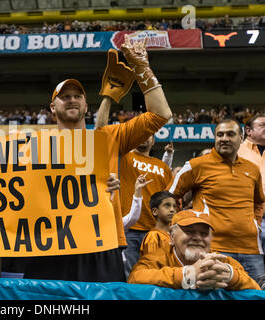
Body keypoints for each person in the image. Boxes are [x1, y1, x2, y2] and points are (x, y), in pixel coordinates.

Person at [22, 35, 172, 282]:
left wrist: (142, 69)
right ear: (52, 107)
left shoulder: (109, 138)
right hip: (49, 244)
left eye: (77, 96)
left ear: (85, 105)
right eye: (65, 96)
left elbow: (160, 114)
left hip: (101, 242)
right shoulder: (34, 147)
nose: (71, 99)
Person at [168, 119, 265, 282]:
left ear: (241, 139)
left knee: (256, 294)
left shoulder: (252, 169)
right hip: (214, 249)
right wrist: (183, 226)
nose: (224, 138)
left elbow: (259, 201)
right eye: (220, 135)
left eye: (230, 134)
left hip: (251, 250)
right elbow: (168, 197)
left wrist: (256, 223)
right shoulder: (196, 165)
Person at [128, 209, 260, 290]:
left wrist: (231, 276)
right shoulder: (157, 258)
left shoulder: (222, 261)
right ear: (172, 237)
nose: (198, 238)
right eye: (189, 231)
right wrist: (187, 274)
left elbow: (254, 287)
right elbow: (135, 278)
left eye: (204, 234)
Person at [118, 133, 173, 278]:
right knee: (130, 276)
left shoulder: (163, 167)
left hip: (156, 232)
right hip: (130, 230)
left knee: (156, 275)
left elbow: (169, 197)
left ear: (154, 141)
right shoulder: (123, 158)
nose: (143, 136)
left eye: (148, 134)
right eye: (141, 133)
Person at [237, 113, 265, 263]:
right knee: (252, 265)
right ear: (248, 131)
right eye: (263, 125)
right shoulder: (236, 151)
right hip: (246, 216)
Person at [139, 191, 177, 257]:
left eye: (174, 206)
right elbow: (153, 264)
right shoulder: (153, 237)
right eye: (167, 206)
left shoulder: (175, 234)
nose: (172, 209)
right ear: (155, 211)